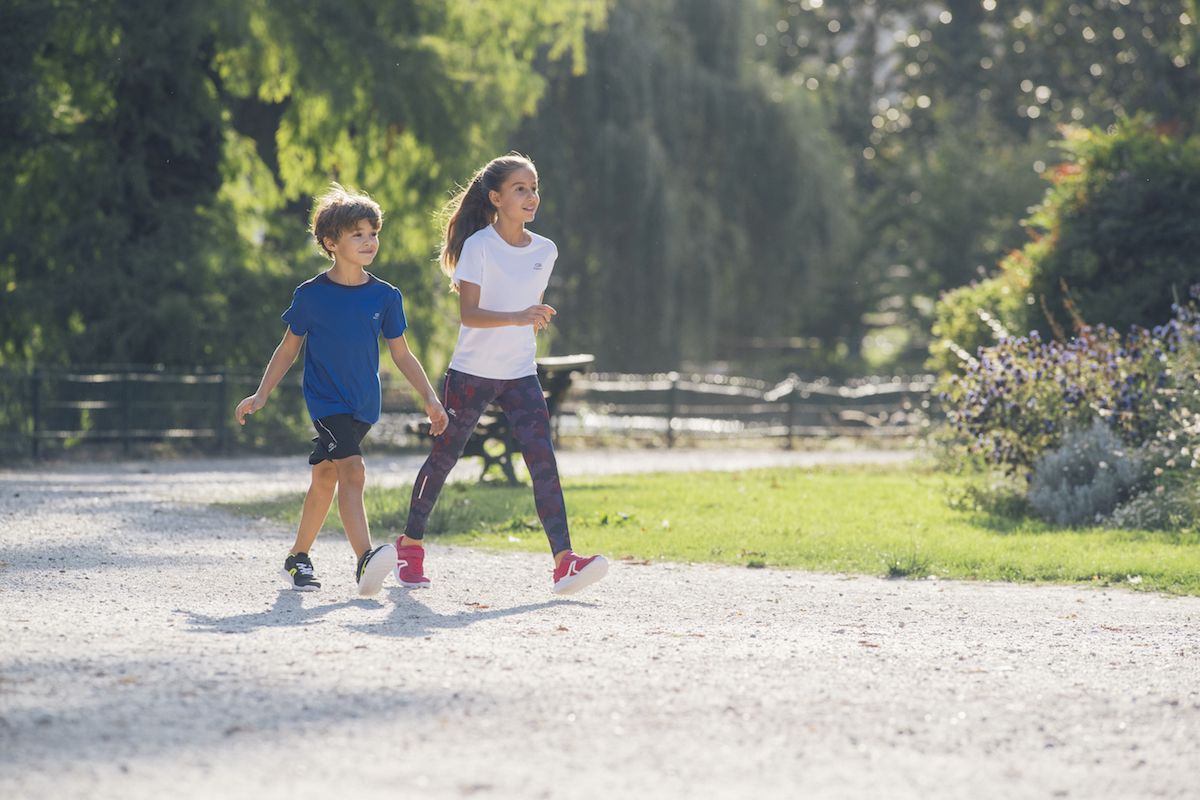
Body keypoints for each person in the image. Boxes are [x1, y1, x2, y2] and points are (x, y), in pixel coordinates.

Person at [395, 154, 608, 595]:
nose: (531, 197)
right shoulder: (478, 247)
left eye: (534, 188)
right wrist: (521, 315)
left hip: (519, 374)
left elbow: (528, 309)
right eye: (520, 189)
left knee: (543, 462)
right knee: (444, 458)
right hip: (471, 374)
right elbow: (470, 315)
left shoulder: (545, 250)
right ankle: (410, 546)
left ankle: (564, 562)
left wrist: (531, 317)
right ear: (496, 197)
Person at [235, 184, 448, 595]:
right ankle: (365, 558)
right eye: (358, 234)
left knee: (326, 476)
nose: (369, 241)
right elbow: (288, 349)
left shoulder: (386, 296)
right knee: (353, 470)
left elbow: (402, 355)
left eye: (373, 233)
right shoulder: (310, 295)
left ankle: (297, 558)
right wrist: (261, 394)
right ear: (331, 242)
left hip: (364, 405)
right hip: (325, 400)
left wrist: (430, 398)